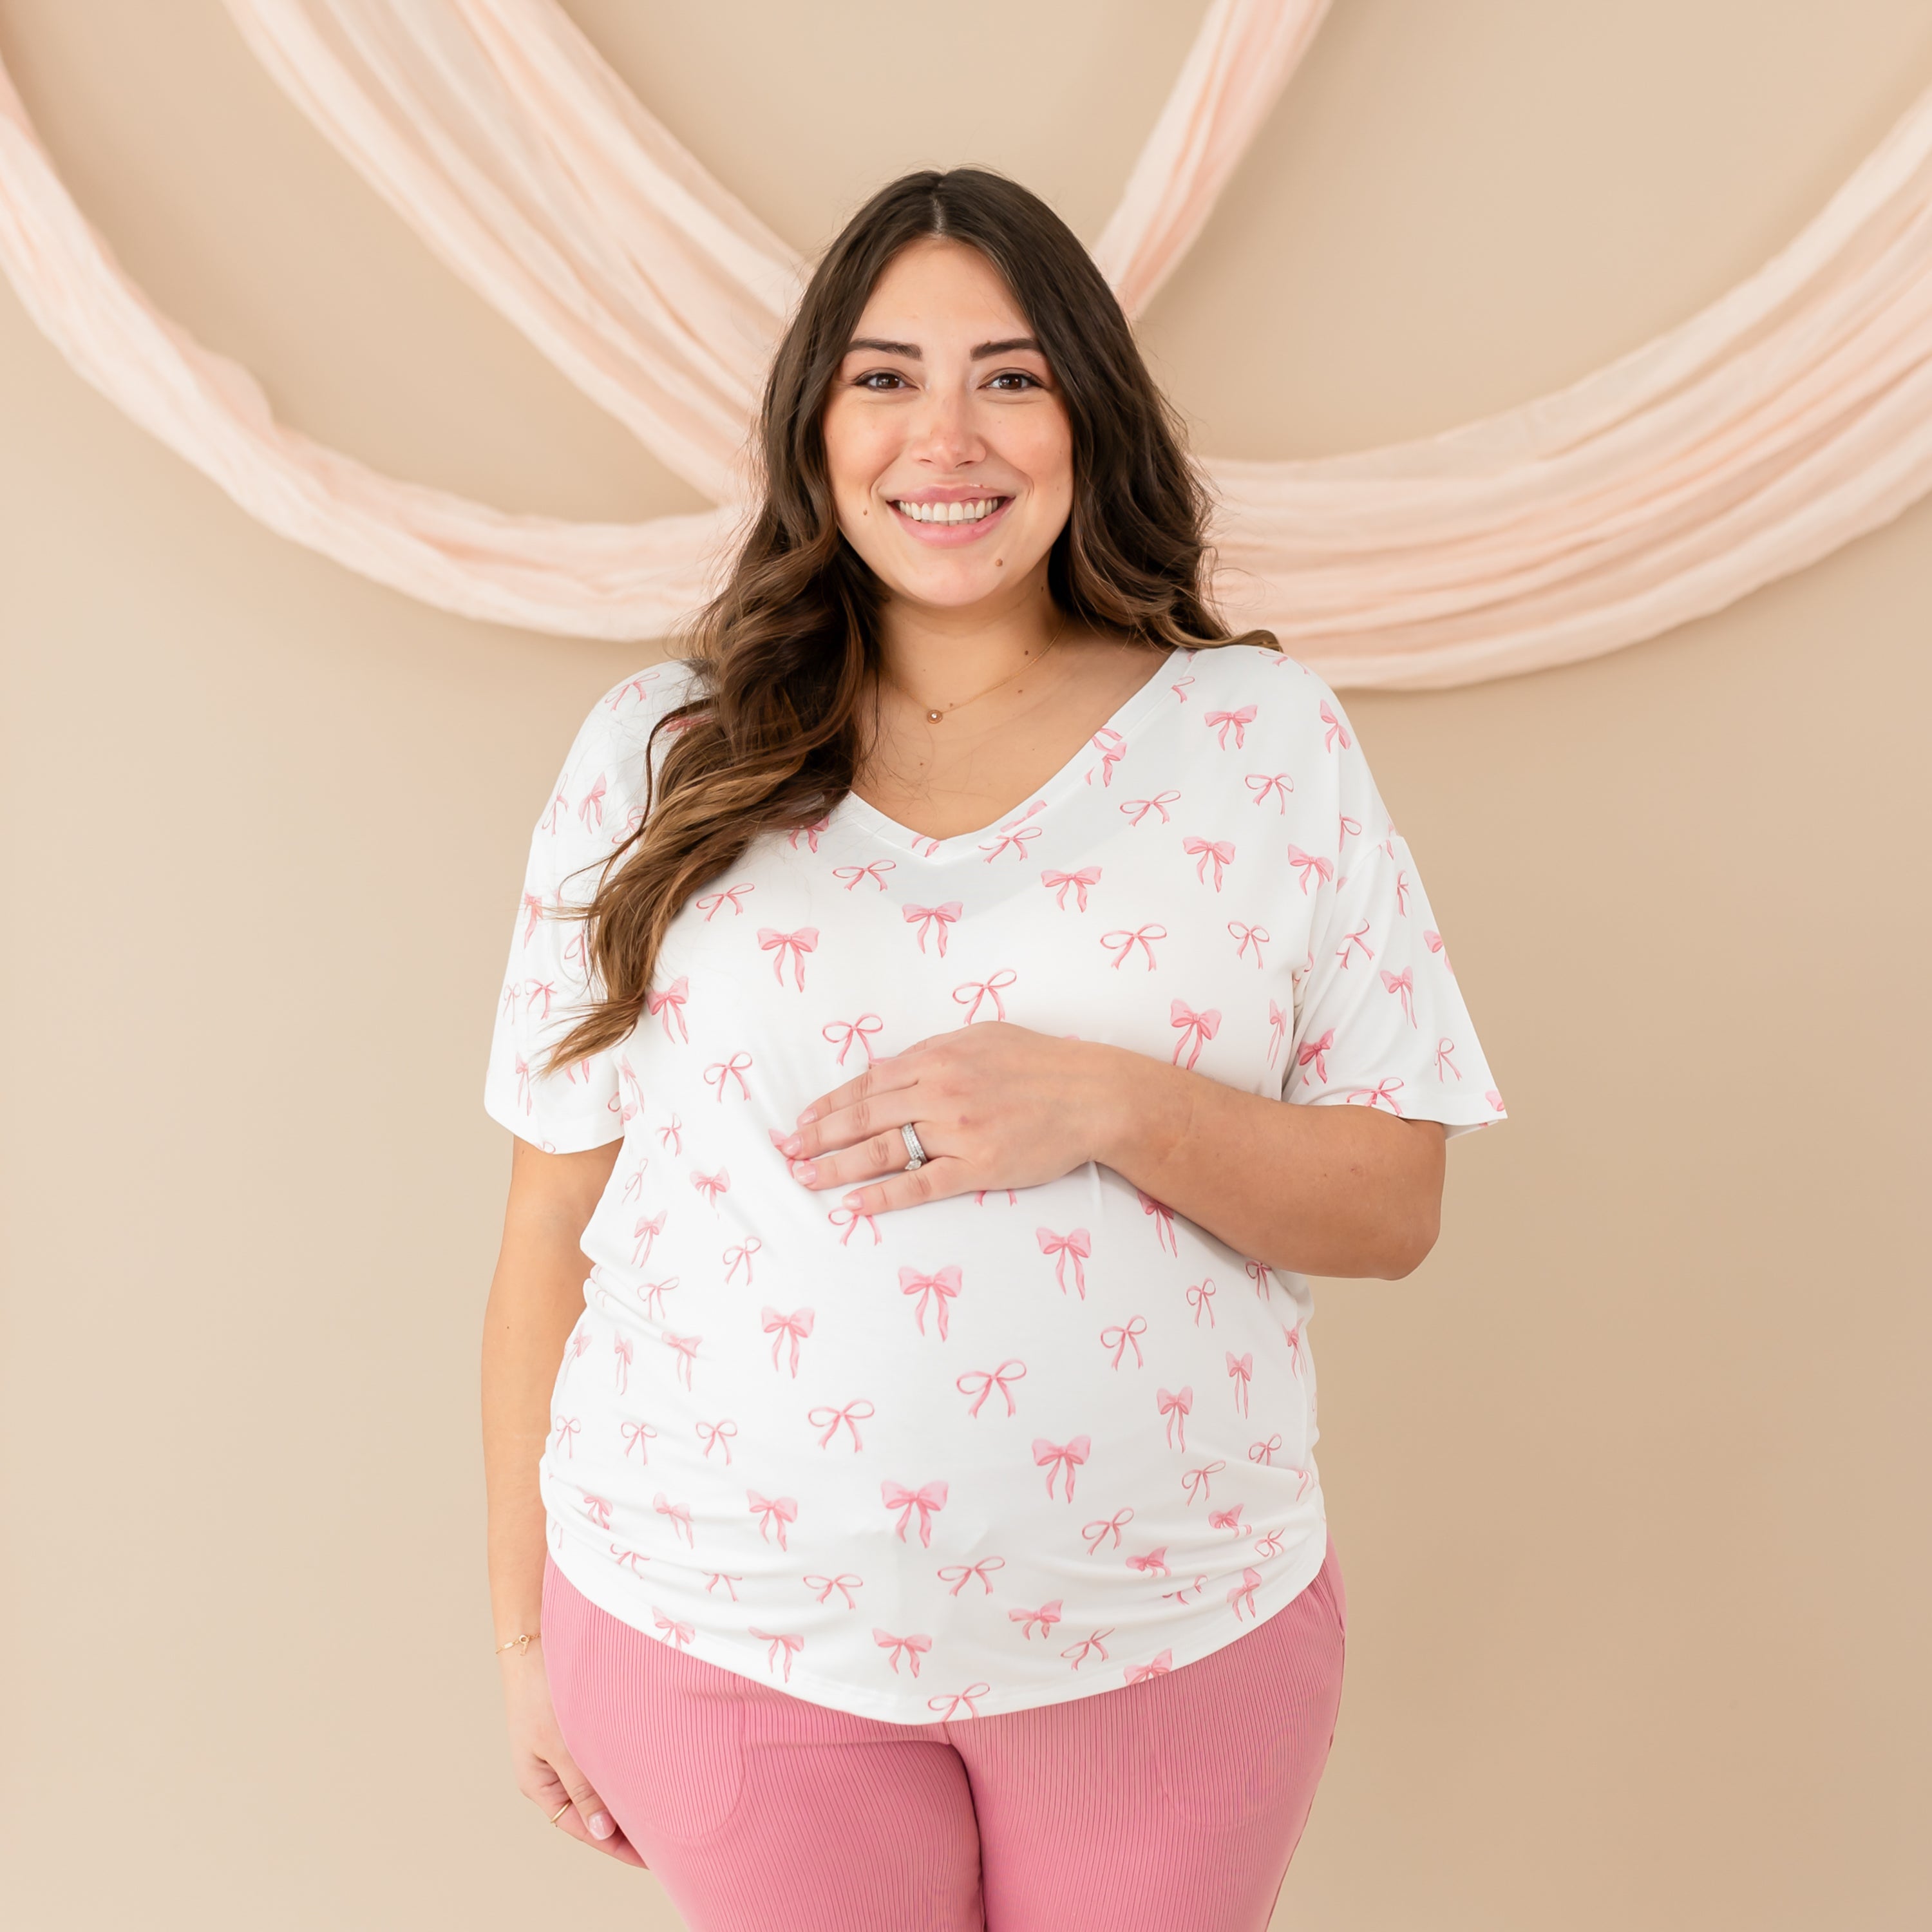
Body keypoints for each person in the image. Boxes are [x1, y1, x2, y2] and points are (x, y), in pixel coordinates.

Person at [480, 167, 1504, 1932]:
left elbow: (1394, 1203)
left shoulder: (1257, 744)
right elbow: (542, 1234)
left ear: (1087, 416)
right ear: (817, 426)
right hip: (714, 1625)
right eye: (884, 377)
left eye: (1009, 375)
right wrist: (519, 1638)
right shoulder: (661, 751)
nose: (943, 434)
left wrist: (1105, 1102)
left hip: (1170, 1630)